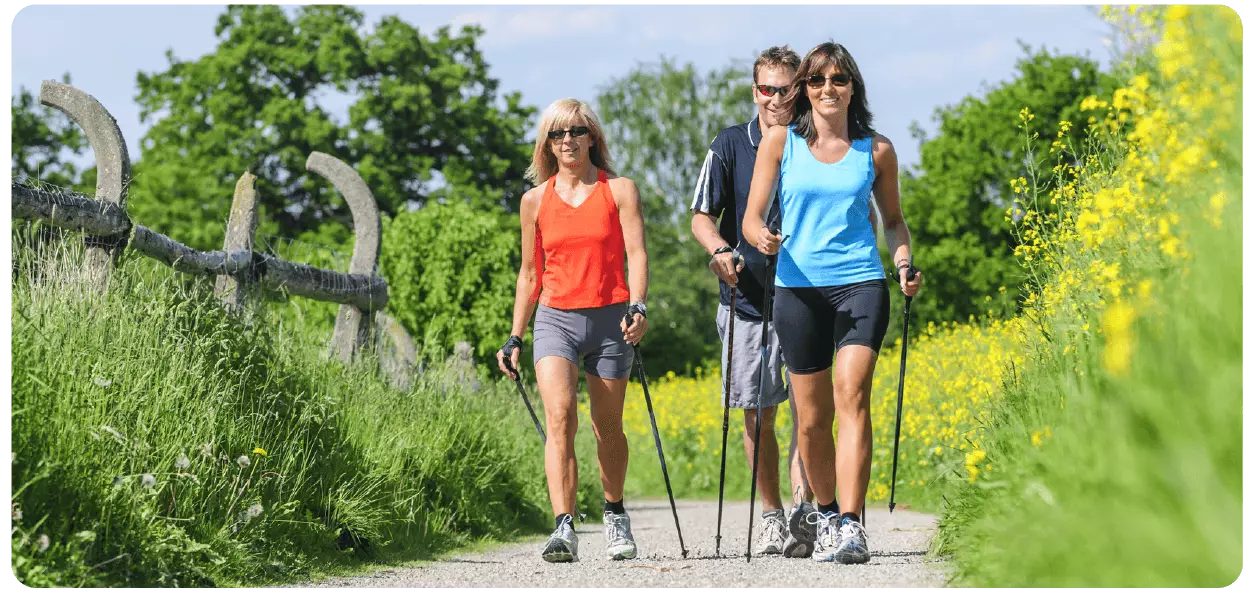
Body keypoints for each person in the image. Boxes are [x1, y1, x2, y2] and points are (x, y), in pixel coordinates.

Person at [742, 41, 924, 565]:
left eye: (839, 80)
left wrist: (905, 264)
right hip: (796, 290)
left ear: (852, 89)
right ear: (806, 89)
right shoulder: (780, 143)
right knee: (812, 420)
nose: (828, 90)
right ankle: (823, 513)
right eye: (818, 81)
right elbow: (754, 216)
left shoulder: (877, 150)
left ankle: (850, 523)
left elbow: (893, 221)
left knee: (853, 395)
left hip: (861, 283)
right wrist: (760, 238)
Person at [496, 98, 651, 564]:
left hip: (611, 318)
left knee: (608, 427)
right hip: (555, 318)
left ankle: (615, 514)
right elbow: (529, 273)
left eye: (576, 131)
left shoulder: (620, 190)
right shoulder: (534, 201)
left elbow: (637, 254)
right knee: (560, 417)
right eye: (557, 134)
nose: (568, 141)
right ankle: (564, 526)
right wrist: (515, 336)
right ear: (547, 143)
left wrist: (638, 306)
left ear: (592, 137)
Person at [689, 45, 822, 559]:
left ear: (799, 89)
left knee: (811, 413)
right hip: (746, 298)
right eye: (764, 89)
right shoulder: (729, 144)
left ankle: (803, 509)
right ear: (754, 91)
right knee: (758, 413)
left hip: (811, 293)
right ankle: (770, 515)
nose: (773, 99)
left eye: (783, 89)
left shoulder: (819, 142)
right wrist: (720, 249)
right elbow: (702, 215)